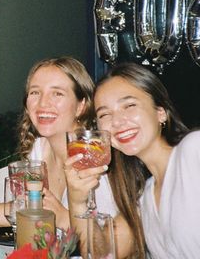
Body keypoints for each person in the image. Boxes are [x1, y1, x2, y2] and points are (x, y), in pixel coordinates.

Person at [0, 57, 116, 232]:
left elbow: (109, 239)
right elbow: (30, 208)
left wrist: (61, 217)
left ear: (81, 105)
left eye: (57, 93)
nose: (43, 103)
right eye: (35, 92)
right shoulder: (40, 148)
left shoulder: (94, 156)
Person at [66, 63, 193, 259]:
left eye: (129, 105)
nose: (117, 122)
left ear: (161, 111)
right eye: (105, 114)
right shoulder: (145, 199)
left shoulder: (192, 151)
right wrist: (78, 201)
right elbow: (101, 255)